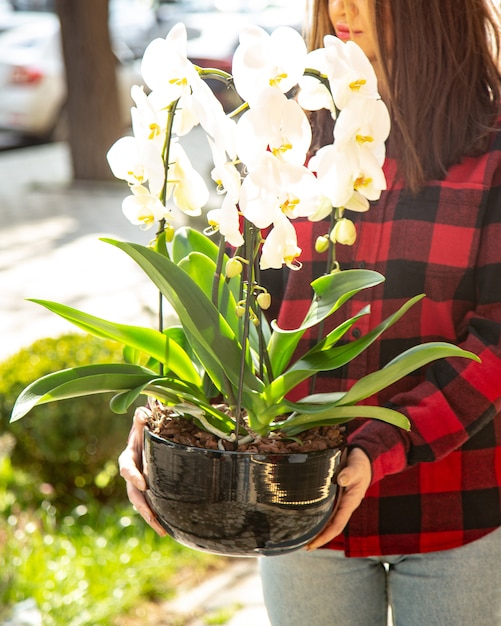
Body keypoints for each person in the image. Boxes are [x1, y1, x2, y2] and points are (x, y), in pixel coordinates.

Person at [119, 0, 501, 623]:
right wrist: (167, 419)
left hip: (452, 508)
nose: (342, 8)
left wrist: (377, 448)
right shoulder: (286, 131)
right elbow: (230, 311)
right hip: (293, 502)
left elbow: (497, 346)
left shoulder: (491, 149)